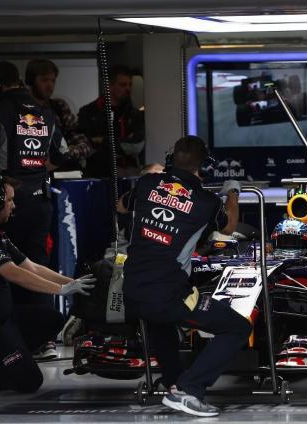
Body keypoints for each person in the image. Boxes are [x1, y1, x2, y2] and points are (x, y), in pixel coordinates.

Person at [122, 136, 249, 417]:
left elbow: (121, 206)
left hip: (131, 289)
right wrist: (232, 193)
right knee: (237, 327)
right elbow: (229, 227)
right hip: (167, 293)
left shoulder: (146, 183)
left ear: (171, 159)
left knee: (160, 321)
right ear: (204, 166)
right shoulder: (206, 201)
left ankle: (174, 382)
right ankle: (188, 391)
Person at [0, 174, 94, 394]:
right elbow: (14, 273)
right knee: (30, 381)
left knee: (52, 320)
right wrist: (61, 290)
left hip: (1, 319)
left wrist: (74, 283)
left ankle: (7, 355)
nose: (14, 205)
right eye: (10, 200)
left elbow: (32, 267)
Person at [0, 61, 71, 358]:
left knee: (7, 269)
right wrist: (36, 171)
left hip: (7, 203)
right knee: (37, 264)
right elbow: (63, 154)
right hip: (40, 202)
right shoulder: (45, 111)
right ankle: (46, 340)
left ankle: (13, 339)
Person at [78, 64, 145, 178]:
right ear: (109, 86)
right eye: (123, 85)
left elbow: (136, 145)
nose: (128, 89)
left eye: (130, 85)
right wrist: (121, 142)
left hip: (128, 173)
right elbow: (86, 144)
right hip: (97, 174)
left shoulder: (135, 115)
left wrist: (102, 140)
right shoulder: (89, 112)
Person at [25, 59, 93, 169]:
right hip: (29, 170)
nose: (50, 85)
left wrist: (62, 154)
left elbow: (84, 144)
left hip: (59, 170)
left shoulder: (59, 106)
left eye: (53, 81)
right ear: (31, 81)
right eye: (44, 80)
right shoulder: (20, 109)